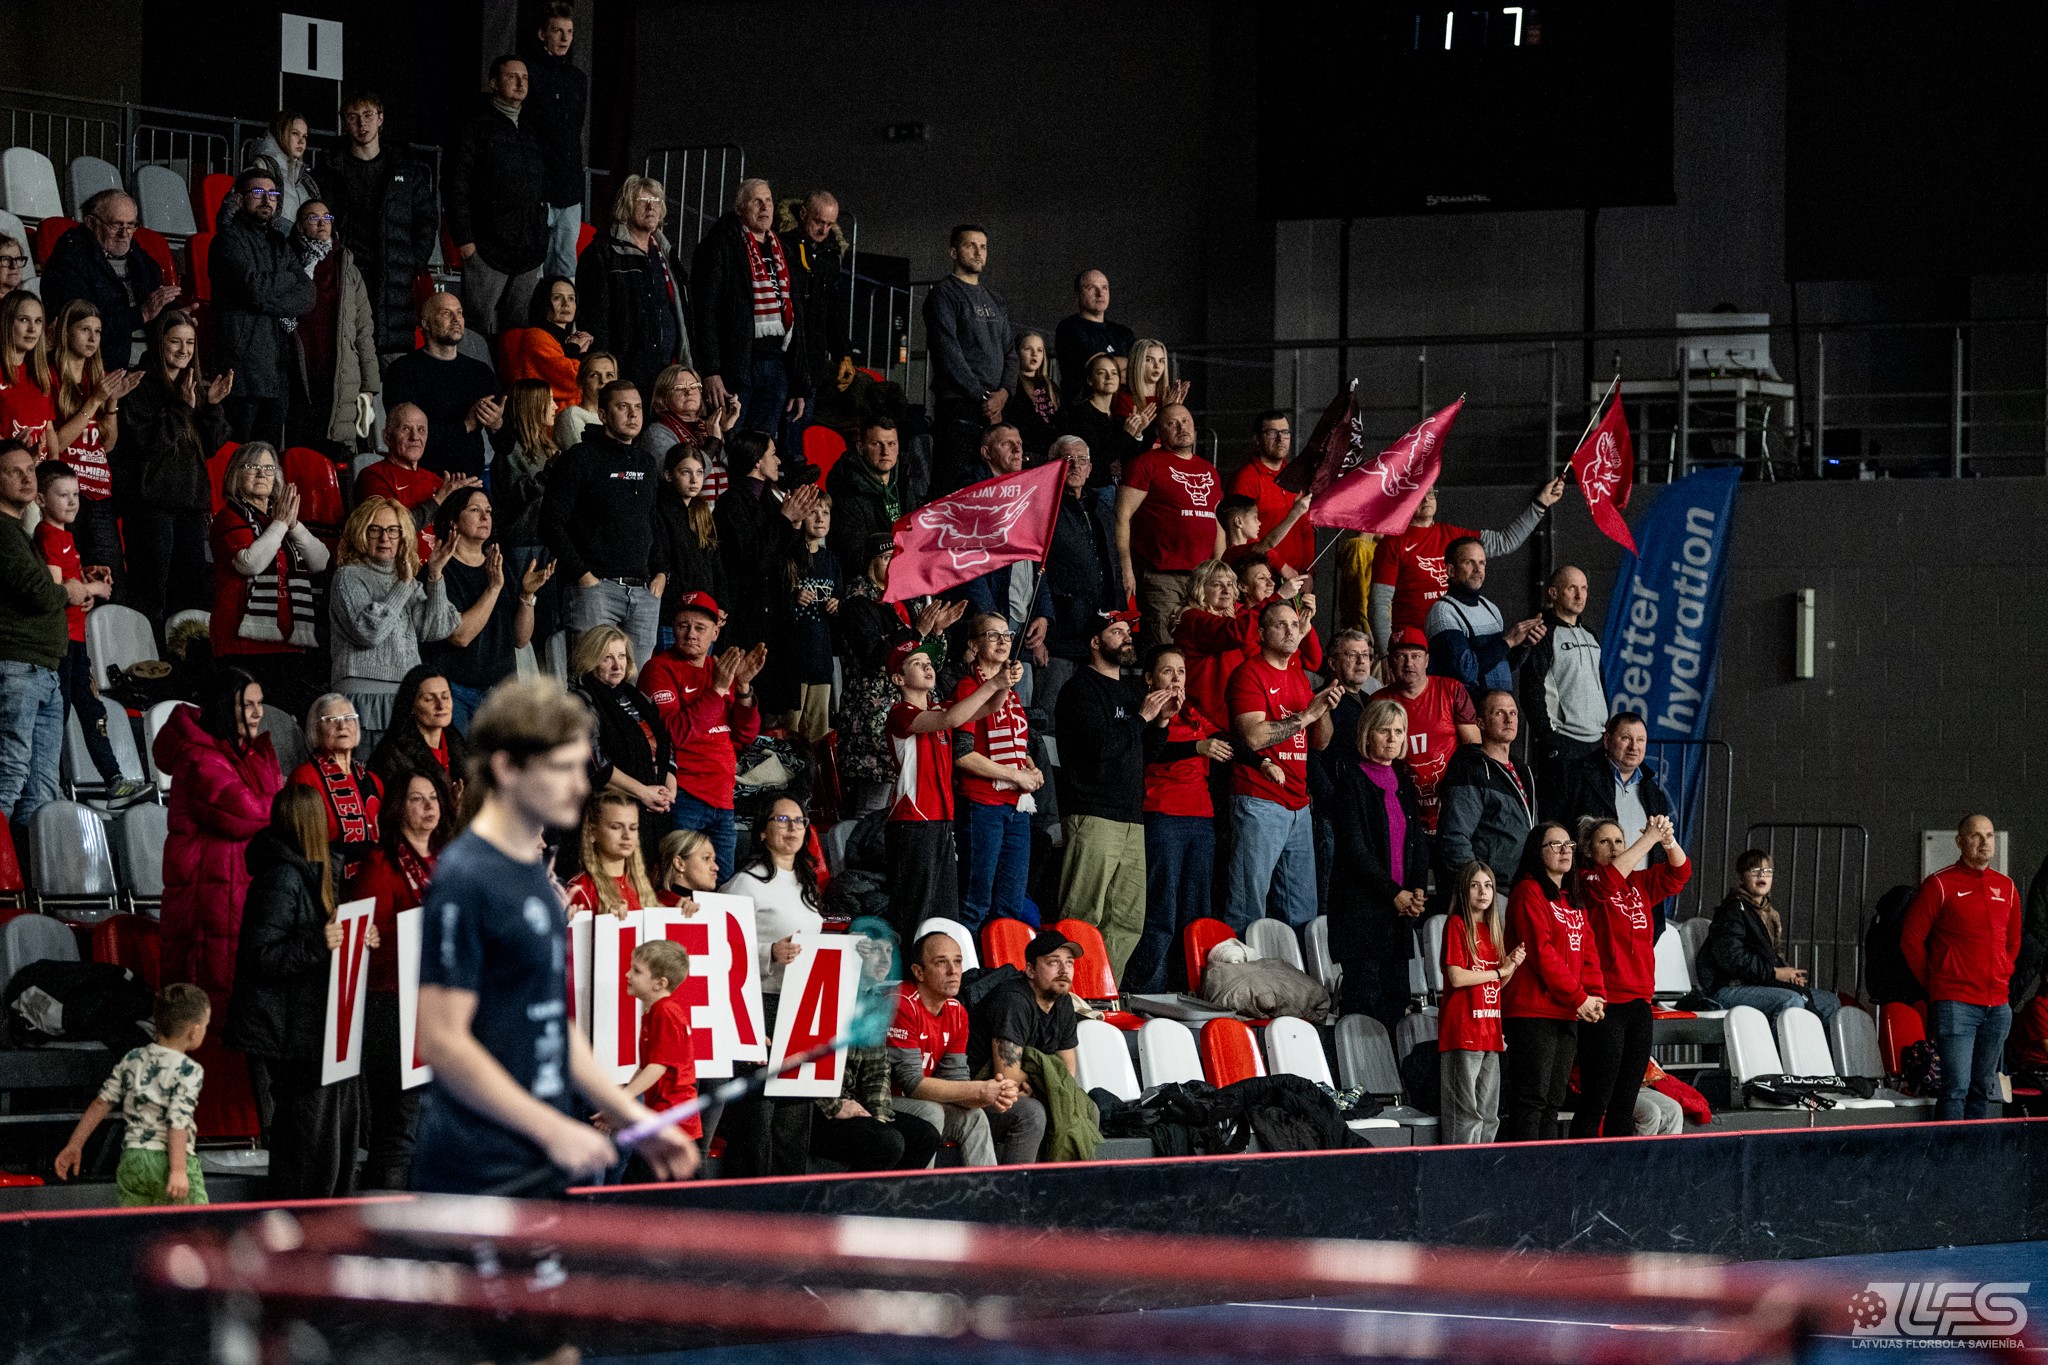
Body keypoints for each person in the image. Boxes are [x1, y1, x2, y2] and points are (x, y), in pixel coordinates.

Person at [413, 675, 698, 1195]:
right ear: (507, 768)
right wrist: (552, 1128)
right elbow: (441, 1040)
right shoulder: (467, 876)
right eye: (563, 768)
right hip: (481, 1166)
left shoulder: (534, 874)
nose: (581, 785)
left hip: (538, 1150)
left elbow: (549, 1022)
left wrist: (629, 1114)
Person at [228, 785, 370, 1198]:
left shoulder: (311, 873)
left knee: (327, 1136)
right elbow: (261, 956)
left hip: (312, 1027)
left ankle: (323, 1217)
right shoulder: (282, 878)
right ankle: (301, 1219)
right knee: (306, 1141)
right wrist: (319, 942)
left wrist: (357, 938)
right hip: (289, 1034)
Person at [155, 669, 286, 1016]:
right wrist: (285, 805)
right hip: (206, 903)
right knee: (209, 1008)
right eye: (247, 705)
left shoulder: (242, 752)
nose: (258, 713)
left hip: (235, 893)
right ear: (225, 707)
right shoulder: (198, 756)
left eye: (260, 703)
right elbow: (245, 812)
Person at [347, 773, 450, 1180]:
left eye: (433, 798)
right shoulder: (381, 863)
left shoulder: (447, 859)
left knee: (431, 1127)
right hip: (392, 1006)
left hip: (438, 1004)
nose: (428, 807)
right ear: (398, 808)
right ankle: (383, 1211)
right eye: (417, 799)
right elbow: (368, 936)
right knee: (400, 1127)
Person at [718, 796, 826, 1177]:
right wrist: (768, 952)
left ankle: (787, 1200)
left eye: (800, 820)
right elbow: (718, 946)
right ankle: (750, 1203)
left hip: (798, 1006)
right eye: (783, 819)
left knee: (795, 1113)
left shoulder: (806, 883)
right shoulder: (744, 884)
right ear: (763, 831)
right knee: (757, 1117)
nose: (793, 827)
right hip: (757, 1004)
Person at [884, 639, 1018, 935]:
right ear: (898, 679)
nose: (927, 667)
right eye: (916, 664)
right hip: (913, 821)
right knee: (916, 913)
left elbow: (989, 707)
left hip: (941, 820)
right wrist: (994, 682)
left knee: (943, 912)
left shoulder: (939, 708)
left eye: (929, 663)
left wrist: (1004, 683)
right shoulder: (900, 713)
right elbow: (953, 718)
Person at [1226, 600, 1343, 930]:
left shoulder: (1298, 676)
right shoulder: (1249, 673)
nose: (1291, 630)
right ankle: (1245, 965)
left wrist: (1323, 709)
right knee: (1248, 906)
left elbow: (1320, 743)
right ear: (1262, 634)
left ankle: (1296, 966)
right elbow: (1253, 737)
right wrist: (1307, 715)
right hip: (1259, 799)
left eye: (1294, 624)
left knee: (1302, 909)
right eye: (1281, 625)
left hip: (1298, 803)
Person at [1572, 815, 1691, 1139]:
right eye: (1604, 842)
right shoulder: (1585, 880)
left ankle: (1618, 1166)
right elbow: (1608, 881)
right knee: (1597, 1099)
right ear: (1588, 851)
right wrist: (1647, 840)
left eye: (1619, 841)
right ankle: (1576, 1164)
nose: (1614, 847)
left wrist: (1667, 840)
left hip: (1639, 1001)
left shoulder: (1639, 882)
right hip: (1604, 1003)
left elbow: (1680, 872)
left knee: (1625, 1102)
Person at [1052, 608, 1157, 974]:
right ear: (1095, 642)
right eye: (1117, 631)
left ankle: (1104, 994)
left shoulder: (1131, 690)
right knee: (1081, 916)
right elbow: (1100, 746)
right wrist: (1142, 718)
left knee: (1127, 920)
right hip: (1093, 812)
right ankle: (1067, 995)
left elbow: (1144, 752)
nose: (1127, 637)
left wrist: (1161, 722)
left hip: (1131, 817)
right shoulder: (1079, 689)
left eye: (1128, 631)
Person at [1901, 814, 2022, 1121]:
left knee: (1983, 1087)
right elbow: (1911, 940)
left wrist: (2003, 972)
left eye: (1990, 835)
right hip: (1956, 1004)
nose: (1985, 842)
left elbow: (2013, 942)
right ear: (1959, 841)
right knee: (1956, 1087)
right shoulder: (1939, 884)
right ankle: (1949, 1152)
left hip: (1998, 1006)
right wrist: (1936, 983)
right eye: (1976, 836)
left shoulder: (2006, 887)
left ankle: (1975, 1151)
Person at [32, 462, 140, 799]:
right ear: (40, 499)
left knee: (92, 709)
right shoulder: (48, 535)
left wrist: (87, 578)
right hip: (61, 644)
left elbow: (70, 583)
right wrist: (94, 589)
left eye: (76, 494)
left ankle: (114, 779)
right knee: (58, 715)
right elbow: (57, 590)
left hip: (77, 642)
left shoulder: (65, 535)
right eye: (62, 495)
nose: (72, 501)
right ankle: (50, 786)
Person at [117, 309, 231, 628]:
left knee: (190, 594)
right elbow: (146, 444)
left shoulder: (194, 385)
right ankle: (147, 654)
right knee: (151, 594)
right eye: (175, 342)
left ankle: (185, 656)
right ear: (159, 342)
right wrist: (182, 407)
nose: (184, 350)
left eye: (190, 343)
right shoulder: (138, 384)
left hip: (191, 507)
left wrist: (212, 404)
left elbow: (211, 446)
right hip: (151, 508)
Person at [638, 592, 762, 883]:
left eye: (700, 627)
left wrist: (743, 687)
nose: (691, 634)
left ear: (715, 632)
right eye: (683, 626)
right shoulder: (658, 669)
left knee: (723, 889)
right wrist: (717, 690)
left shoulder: (720, 669)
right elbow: (673, 733)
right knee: (680, 886)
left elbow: (745, 735)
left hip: (724, 799)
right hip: (684, 797)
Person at [545, 379, 668, 666]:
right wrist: (584, 575)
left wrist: (662, 571)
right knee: (591, 679)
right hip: (595, 588)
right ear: (603, 415)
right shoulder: (579, 458)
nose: (633, 414)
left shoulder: (646, 462)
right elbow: (551, 522)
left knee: (637, 683)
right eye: (623, 407)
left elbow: (653, 521)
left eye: (638, 407)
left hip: (644, 590)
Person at [53, 984, 211, 1206]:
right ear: (194, 1031)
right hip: (170, 1159)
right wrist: (178, 1170)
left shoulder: (133, 1059)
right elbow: (177, 1120)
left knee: (138, 1225)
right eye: (206, 1025)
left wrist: (75, 1144)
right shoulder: (188, 1070)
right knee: (194, 1223)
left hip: (133, 1159)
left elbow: (101, 1102)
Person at [1133, 645, 1232, 995]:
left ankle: (1189, 988)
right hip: (1163, 816)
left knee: (1196, 909)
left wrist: (1262, 760)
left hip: (1201, 818)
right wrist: (1197, 748)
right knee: (1161, 908)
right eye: (1167, 671)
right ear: (1149, 678)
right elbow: (1150, 752)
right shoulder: (1146, 713)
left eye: (1181, 671)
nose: (1176, 678)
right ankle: (1150, 990)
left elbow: (1223, 739)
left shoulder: (1192, 712)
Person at [835, 549, 965, 816]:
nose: (894, 564)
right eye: (886, 558)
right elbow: (874, 658)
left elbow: (933, 661)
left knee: (901, 804)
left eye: (897, 558)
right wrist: (916, 632)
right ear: (871, 563)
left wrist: (936, 631)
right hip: (873, 720)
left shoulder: (908, 602)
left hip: (912, 712)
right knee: (872, 811)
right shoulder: (857, 604)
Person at [888, 930, 1033, 1167]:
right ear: (918, 972)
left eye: (957, 962)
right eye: (941, 962)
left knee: (974, 1117)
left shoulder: (957, 1011)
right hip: (878, 1101)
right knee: (931, 1112)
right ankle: (923, 1190)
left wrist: (994, 1094)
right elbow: (913, 1084)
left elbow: (956, 1080)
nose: (953, 971)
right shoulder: (901, 1004)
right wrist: (980, 1090)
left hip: (918, 1102)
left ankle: (988, 1189)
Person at [1369, 477, 1565, 651]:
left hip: (1452, 644)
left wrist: (1541, 503)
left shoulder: (1453, 536)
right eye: (1420, 493)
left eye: (1430, 492)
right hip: (1411, 648)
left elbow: (1504, 542)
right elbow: (1380, 603)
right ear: (1405, 499)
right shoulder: (1392, 544)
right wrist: (1386, 653)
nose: (1427, 498)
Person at [1328, 699, 1431, 1031]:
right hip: (1361, 916)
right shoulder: (1352, 780)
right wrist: (1394, 894)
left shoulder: (1403, 780)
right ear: (1367, 735)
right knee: (1364, 1006)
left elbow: (1417, 842)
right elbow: (1355, 850)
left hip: (1397, 918)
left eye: (1398, 731)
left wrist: (1417, 889)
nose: (1392, 738)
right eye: (1384, 731)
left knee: (1396, 1002)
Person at [209, 441, 330, 719]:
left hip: (287, 643)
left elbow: (320, 561)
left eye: (269, 467)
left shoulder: (280, 520)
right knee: (249, 723)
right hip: (242, 646)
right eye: (252, 466)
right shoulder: (229, 517)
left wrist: (293, 524)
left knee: (283, 724)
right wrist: (281, 524)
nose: (262, 473)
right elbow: (250, 563)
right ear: (236, 474)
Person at [1501, 822, 1605, 1142]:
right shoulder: (1528, 891)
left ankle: (1547, 1168)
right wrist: (1579, 998)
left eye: (1569, 845)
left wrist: (1595, 995)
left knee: (1553, 1102)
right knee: (1531, 1100)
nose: (1565, 851)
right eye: (1555, 845)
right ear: (1537, 852)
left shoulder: (1571, 898)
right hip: (1532, 1011)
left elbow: (1588, 950)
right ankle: (1525, 1169)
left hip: (1566, 1010)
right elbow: (1541, 952)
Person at [330, 498, 460, 748]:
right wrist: (403, 585)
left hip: (407, 696)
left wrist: (435, 576)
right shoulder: (347, 577)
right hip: (362, 698)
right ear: (361, 533)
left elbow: (437, 629)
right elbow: (369, 632)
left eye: (393, 530)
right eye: (375, 530)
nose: (384, 538)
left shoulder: (407, 580)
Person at [0, 441, 75, 861]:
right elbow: (39, 594)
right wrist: (69, 591)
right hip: (18, 669)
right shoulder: (2, 531)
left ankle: (32, 884)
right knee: (9, 776)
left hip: (41, 670)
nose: (27, 477)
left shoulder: (18, 532)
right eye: (14, 471)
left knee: (41, 789)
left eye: (30, 469)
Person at [691, 178, 809, 441]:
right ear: (740, 208)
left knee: (761, 447)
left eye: (768, 201)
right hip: (736, 365)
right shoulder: (719, 245)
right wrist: (711, 370)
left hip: (777, 363)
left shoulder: (784, 250)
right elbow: (705, 313)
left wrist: (799, 381)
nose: (765, 207)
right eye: (757, 201)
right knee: (728, 442)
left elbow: (796, 317)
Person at [329, 92, 440, 363]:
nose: (362, 124)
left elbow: (426, 219)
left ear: (380, 119)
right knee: (350, 357)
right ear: (344, 123)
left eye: (368, 115)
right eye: (353, 117)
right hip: (349, 271)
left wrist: (413, 261)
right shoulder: (331, 169)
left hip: (394, 274)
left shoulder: (406, 169)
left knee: (394, 361)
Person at [952, 613, 1046, 929]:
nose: (1003, 641)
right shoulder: (969, 687)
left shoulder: (1012, 693)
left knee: (1010, 905)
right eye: (992, 635)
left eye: (1006, 634)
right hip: (982, 805)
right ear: (973, 645)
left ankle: (1000, 961)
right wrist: (1016, 775)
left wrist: (1029, 767)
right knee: (974, 903)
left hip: (1016, 807)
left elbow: (1018, 745)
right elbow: (963, 755)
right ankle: (966, 960)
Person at [43, 297, 140, 593]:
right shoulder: (49, 375)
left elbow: (107, 445)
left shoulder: (97, 378)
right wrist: (95, 400)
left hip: (99, 493)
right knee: (71, 576)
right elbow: (56, 443)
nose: (92, 338)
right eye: (84, 329)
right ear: (66, 331)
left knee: (111, 581)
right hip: (65, 490)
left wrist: (110, 403)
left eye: (97, 332)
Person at [213, 168, 317, 444]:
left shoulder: (279, 242)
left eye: (273, 193)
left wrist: (264, 297)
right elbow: (252, 289)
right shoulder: (228, 239)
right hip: (242, 373)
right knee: (238, 455)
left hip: (276, 372)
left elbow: (307, 295)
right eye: (258, 192)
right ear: (239, 199)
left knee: (267, 457)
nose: (267, 199)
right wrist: (287, 278)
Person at [428, 488, 548, 727]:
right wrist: (493, 588)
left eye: (489, 511)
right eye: (475, 510)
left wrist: (527, 595)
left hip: (501, 689)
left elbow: (521, 639)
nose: (485, 517)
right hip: (455, 689)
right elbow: (460, 636)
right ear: (453, 521)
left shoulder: (499, 566)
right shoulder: (440, 571)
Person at [447, 54, 548, 337]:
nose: (520, 83)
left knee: (518, 332)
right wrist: (465, 241)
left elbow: (541, 186)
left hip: (528, 250)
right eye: (512, 77)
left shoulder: (531, 129)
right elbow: (456, 185)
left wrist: (540, 235)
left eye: (525, 77)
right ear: (493, 83)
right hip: (486, 248)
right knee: (475, 329)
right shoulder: (474, 126)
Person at [965, 927, 1082, 1163]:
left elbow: (1067, 1071)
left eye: (1069, 962)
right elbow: (1006, 1075)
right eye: (1053, 962)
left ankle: (1058, 1183)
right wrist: (1044, 1087)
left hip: (1020, 1091)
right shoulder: (1013, 1000)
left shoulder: (1064, 1003)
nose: (1064, 970)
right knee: (1032, 1114)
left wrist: (1041, 1088)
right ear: (1030, 970)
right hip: (978, 1095)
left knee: (1085, 1109)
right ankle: (1017, 1185)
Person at [1116, 402, 1224, 647]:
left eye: (1185, 421)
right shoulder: (1145, 464)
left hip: (1202, 576)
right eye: (1172, 423)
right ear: (1159, 432)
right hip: (1161, 575)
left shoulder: (1209, 470)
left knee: (1200, 648)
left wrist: (1218, 567)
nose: (1181, 427)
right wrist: (1126, 567)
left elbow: (1217, 521)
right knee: (1165, 648)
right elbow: (1122, 516)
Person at [569, 623, 675, 870]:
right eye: (607, 658)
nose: (617, 665)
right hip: (614, 814)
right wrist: (644, 793)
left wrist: (669, 789)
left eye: (622, 656)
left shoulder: (639, 698)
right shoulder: (581, 701)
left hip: (656, 811)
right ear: (591, 660)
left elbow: (665, 747)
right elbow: (595, 765)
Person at [576, 175, 691, 398]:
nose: (651, 207)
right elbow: (595, 318)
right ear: (626, 206)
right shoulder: (602, 253)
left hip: (666, 370)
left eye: (656, 201)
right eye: (643, 200)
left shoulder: (666, 254)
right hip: (625, 371)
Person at [283, 199, 381, 458]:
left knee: (335, 450)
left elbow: (364, 330)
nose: (322, 223)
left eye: (327, 217)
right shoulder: (288, 261)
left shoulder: (348, 270)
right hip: (298, 372)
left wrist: (369, 384)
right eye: (313, 218)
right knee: (298, 452)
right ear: (299, 226)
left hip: (338, 373)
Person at [1697, 850, 1840, 1028]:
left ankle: (1813, 1048)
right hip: (1729, 988)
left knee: (1830, 1002)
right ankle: (1778, 1047)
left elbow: (1773, 956)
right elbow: (1732, 958)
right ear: (1741, 878)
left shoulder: (1770, 914)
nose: (1762, 875)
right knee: (1790, 1000)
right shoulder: (1732, 910)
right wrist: (1775, 973)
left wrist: (1787, 975)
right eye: (1755, 870)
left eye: (1767, 871)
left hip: (1760, 983)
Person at [37, 189, 177, 367]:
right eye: (116, 224)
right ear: (91, 223)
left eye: (131, 225)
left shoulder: (140, 260)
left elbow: (155, 302)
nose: (124, 233)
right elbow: (80, 329)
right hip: (100, 368)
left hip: (148, 367)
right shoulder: (68, 263)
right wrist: (141, 314)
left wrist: (174, 314)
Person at [713, 431, 817, 665]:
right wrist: (784, 520)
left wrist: (796, 525)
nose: (778, 461)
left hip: (778, 617)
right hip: (747, 618)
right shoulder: (730, 503)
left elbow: (799, 562)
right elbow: (754, 557)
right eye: (773, 454)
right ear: (757, 460)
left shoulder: (773, 500)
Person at [923, 225, 1014, 491]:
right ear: (953, 252)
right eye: (970, 245)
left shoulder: (995, 299)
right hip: (959, 406)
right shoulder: (943, 294)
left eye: (983, 247)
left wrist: (1004, 393)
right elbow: (948, 353)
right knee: (953, 486)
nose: (978, 252)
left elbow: (1010, 351)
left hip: (995, 407)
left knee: (990, 486)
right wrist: (984, 398)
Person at [1439, 861, 1523, 1145]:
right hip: (1463, 1031)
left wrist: (1510, 967)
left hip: (1490, 1032)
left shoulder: (1493, 930)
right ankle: (1460, 1167)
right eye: (1475, 886)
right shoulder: (1456, 924)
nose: (1483, 892)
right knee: (1465, 1115)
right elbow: (1457, 977)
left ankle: (1483, 1165)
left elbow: (1494, 986)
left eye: (1488, 886)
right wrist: (1499, 971)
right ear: (1464, 890)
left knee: (1489, 1115)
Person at [1040, 436, 1121, 725]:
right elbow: (1036, 569)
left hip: (1099, 630)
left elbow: (1112, 563)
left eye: (1081, 460)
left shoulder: (1099, 506)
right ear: (1052, 465)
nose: (1075, 466)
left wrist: (1120, 618)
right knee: (1051, 716)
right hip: (1060, 633)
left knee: (1097, 717)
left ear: (1090, 469)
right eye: (1067, 459)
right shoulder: (1043, 506)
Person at [382, 293, 502, 479]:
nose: (456, 319)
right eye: (446, 313)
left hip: (471, 483)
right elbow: (405, 437)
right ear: (426, 324)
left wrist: (497, 424)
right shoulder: (402, 370)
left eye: (459, 313)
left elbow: (506, 445)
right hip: (419, 481)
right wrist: (466, 426)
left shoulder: (480, 372)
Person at [1518, 564, 1606, 814]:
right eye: (1572, 588)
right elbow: (1531, 690)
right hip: (1564, 744)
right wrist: (1550, 739)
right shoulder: (1543, 633)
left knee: (1594, 823)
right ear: (1554, 593)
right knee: (1560, 823)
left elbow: (1600, 686)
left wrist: (1606, 730)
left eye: (1584, 588)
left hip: (1597, 744)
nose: (1580, 595)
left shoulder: (1590, 635)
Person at [614, 938, 702, 1181]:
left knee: (641, 1183)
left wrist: (621, 1101)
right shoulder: (654, 1012)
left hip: (672, 1114)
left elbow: (657, 1067)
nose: (627, 974)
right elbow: (646, 1067)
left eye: (636, 971)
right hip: (663, 1112)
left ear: (659, 983)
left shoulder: (665, 1012)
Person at [1437, 690, 1536, 899]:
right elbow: (1455, 837)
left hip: (1522, 887)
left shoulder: (1523, 769)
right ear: (1480, 723)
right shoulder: (1470, 768)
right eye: (1499, 713)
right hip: (1490, 892)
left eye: (1513, 713)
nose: (1509, 719)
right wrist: (1477, 887)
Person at [1381, 627, 1480, 835]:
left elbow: (1474, 752)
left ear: (1427, 660)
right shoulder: (1379, 701)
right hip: (1403, 811)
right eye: (1400, 656)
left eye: (1415, 656)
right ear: (1389, 662)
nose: (1409, 664)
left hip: (1451, 809)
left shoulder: (1451, 690)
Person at [1424, 537, 1546, 703]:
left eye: (1481, 563)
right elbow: (1465, 671)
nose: (1477, 569)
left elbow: (1503, 666)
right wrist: (1509, 641)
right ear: (1451, 571)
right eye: (1469, 562)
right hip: (1464, 712)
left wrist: (1523, 644)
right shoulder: (1443, 612)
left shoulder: (1490, 608)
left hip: (1495, 711)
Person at [522, 3, 589, 282]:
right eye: (557, 31)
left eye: (569, 32)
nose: (564, 38)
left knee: (565, 267)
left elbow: (573, 130)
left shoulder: (577, 79)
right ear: (542, 34)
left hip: (568, 188)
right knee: (533, 267)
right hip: (538, 186)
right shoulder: (529, 73)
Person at [292, 693, 383, 872]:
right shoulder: (305, 777)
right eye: (332, 719)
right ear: (316, 729)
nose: (342, 726)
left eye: (349, 718)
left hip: (372, 877)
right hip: (329, 878)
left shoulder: (372, 780)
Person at [777, 490, 841, 741]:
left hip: (821, 659)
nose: (820, 518)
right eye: (813, 512)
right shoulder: (788, 557)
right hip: (793, 660)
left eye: (825, 512)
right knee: (789, 732)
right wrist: (793, 596)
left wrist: (837, 605)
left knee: (817, 736)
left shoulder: (831, 560)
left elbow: (840, 601)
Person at [366, 665, 470, 817]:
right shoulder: (391, 755)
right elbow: (393, 816)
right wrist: (450, 808)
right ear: (412, 706)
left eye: (446, 696)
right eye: (429, 699)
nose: (441, 705)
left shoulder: (458, 744)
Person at [823, 416, 921, 577]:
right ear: (860, 448)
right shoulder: (846, 488)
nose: (885, 452)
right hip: (871, 578)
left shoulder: (906, 478)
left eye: (891, 444)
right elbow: (853, 554)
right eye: (876, 444)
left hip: (908, 569)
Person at [1559, 712, 1671, 850]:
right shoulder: (1576, 777)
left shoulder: (1654, 793)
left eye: (1640, 740)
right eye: (1626, 738)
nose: (1634, 747)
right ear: (1607, 740)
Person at [781, 189, 852, 405]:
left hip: (812, 359)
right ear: (803, 214)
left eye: (830, 224)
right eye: (819, 222)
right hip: (783, 355)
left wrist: (843, 354)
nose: (824, 230)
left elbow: (833, 309)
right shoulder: (782, 245)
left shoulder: (830, 255)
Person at [1228, 410, 1317, 578]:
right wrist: (1281, 566)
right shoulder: (1245, 479)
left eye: (1285, 432)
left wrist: (1308, 572)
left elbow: (1305, 529)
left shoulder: (1294, 476)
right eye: (1272, 432)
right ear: (1257, 438)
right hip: (1261, 577)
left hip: (1297, 577)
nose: (1280, 438)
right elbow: (1241, 536)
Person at [353, 402, 477, 520]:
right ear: (387, 437)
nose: (415, 437)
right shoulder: (374, 476)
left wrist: (461, 504)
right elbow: (390, 529)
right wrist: (438, 501)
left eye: (421, 430)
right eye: (406, 429)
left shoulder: (436, 480)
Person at [652, 444, 727, 636]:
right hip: (672, 617)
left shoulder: (701, 511)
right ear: (669, 475)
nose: (694, 480)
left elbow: (715, 562)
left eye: (699, 472)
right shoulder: (659, 510)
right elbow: (662, 559)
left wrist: (720, 604)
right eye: (686, 472)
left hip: (704, 612)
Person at [641, 364, 737, 504]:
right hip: (685, 510)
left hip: (722, 509)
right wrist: (713, 440)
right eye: (679, 388)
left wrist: (727, 430)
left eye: (694, 386)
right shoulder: (657, 432)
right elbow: (680, 479)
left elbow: (739, 469)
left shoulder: (709, 425)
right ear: (663, 397)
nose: (689, 392)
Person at [1058, 352, 1147, 501]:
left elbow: (1129, 457)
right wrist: (1126, 435)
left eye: (1114, 373)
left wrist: (1138, 433)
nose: (1109, 377)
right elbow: (1094, 460)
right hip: (1094, 491)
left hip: (1118, 488)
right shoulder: (1081, 414)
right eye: (1101, 372)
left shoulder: (1117, 417)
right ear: (1090, 380)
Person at [501, 275, 592, 407]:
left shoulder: (568, 339)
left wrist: (579, 350)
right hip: (547, 415)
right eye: (557, 298)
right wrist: (574, 348)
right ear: (543, 304)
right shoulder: (536, 336)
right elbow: (573, 380)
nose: (566, 304)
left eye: (571, 298)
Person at [566, 789, 656, 917]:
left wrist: (679, 910)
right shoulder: (580, 889)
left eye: (633, 828)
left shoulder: (640, 883)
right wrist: (606, 922)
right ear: (592, 832)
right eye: (616, 827)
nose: (627, 835)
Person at [1053, 269, 1136, 402]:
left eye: (1104, 288)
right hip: (1083, 408)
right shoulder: (1069, 327)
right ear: (1077, 296)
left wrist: (1109, 365)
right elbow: (1097, 368)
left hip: (1123, 408)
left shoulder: (1123, 332)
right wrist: (1129, 366)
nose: (1100, 293)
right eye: (1091, 288)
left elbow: (1143, 369)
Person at [237, 111, 321, 235]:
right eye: (295, 133)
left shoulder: (304, 179)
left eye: (304, 136)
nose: (301, 141)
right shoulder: (262, 166)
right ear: (280, 133)